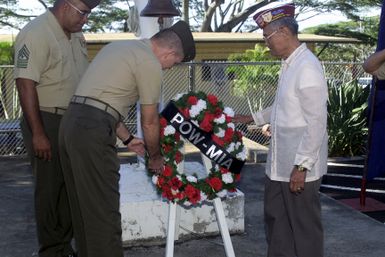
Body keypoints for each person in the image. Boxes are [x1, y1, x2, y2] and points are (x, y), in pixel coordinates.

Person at [58, 20, 196, 257]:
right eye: (174, 63)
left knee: (83, 209)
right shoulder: (150, 63)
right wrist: (155, 156)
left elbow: (104, 100)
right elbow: (150, 120)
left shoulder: (120, 48)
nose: (170, 68)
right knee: (104, 212)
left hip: (71, 123)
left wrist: (128, 139)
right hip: (93, 131)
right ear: (171, 53)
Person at [235, 3, 328, 257]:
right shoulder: (289, 64)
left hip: (298, 168)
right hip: (279, 165)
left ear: (285, 32)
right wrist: (249, 117)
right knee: (277, 223)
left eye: (267, 37)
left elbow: (317, 121)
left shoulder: (307, 66)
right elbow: (282, 107)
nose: (266, 44)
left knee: (303, 229)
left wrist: (302, 166)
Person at [13, 0, 100, 256]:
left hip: (72, 121)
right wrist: (39, 134)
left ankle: (63, 246)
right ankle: (51, 251)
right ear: (66, 5)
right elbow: (25, 83)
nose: (85, 19)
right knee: (50, 190)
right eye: (83, 13)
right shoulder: (36, 32)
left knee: (69, 187)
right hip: (45, 120)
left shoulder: (75, 34)